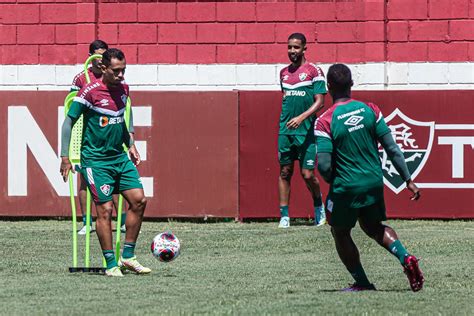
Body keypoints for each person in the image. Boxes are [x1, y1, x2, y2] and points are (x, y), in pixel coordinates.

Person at [314, 63, 424, 291]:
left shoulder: (324, 121)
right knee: (374, 226)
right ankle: (406, 258)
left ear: (328, 87)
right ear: (352, 84)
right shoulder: (370, 110)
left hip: (346, 185)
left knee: (340, 231)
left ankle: (362, 283)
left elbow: (324, 166)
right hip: (374, 182)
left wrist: (336, 181)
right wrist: (408, 180)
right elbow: (392, 148)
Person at [60, 48, 150, 277]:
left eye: (124, 71)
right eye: (117, 71)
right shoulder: (88, 93)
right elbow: (68, 123)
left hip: (119, 157)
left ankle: (128, 256)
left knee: (139, 200)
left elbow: (121, 121)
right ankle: (111, 264)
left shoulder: (124, 90)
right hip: (95, 161)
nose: (121, 75)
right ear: (104, 68)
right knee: (105, 210)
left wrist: (130, 144)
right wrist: (65, 157)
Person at [70, 40, 134, 235]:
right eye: (97, 56)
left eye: (103, 55)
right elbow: (72, 107)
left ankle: (121, 221)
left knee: (115, 182)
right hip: (88, 135)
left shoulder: (119, 82)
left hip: (112, 135)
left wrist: (130, 138)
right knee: (84, 178)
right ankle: (87, 222)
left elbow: (125, 109)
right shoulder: (82, 78)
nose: (100, 60)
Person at [277, 33, 327, 228]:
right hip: (285, 130)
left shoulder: (314, 71)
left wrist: (301, 118)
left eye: (296, 47)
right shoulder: (283, 73)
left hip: (306, 131)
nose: (292, 51)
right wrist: (290, 119)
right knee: (285, 172)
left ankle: (318, 207)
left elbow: (320, 101)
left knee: (307, 174)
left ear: (304, 48)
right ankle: (284, 216)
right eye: (289, 47)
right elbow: (287, 98)